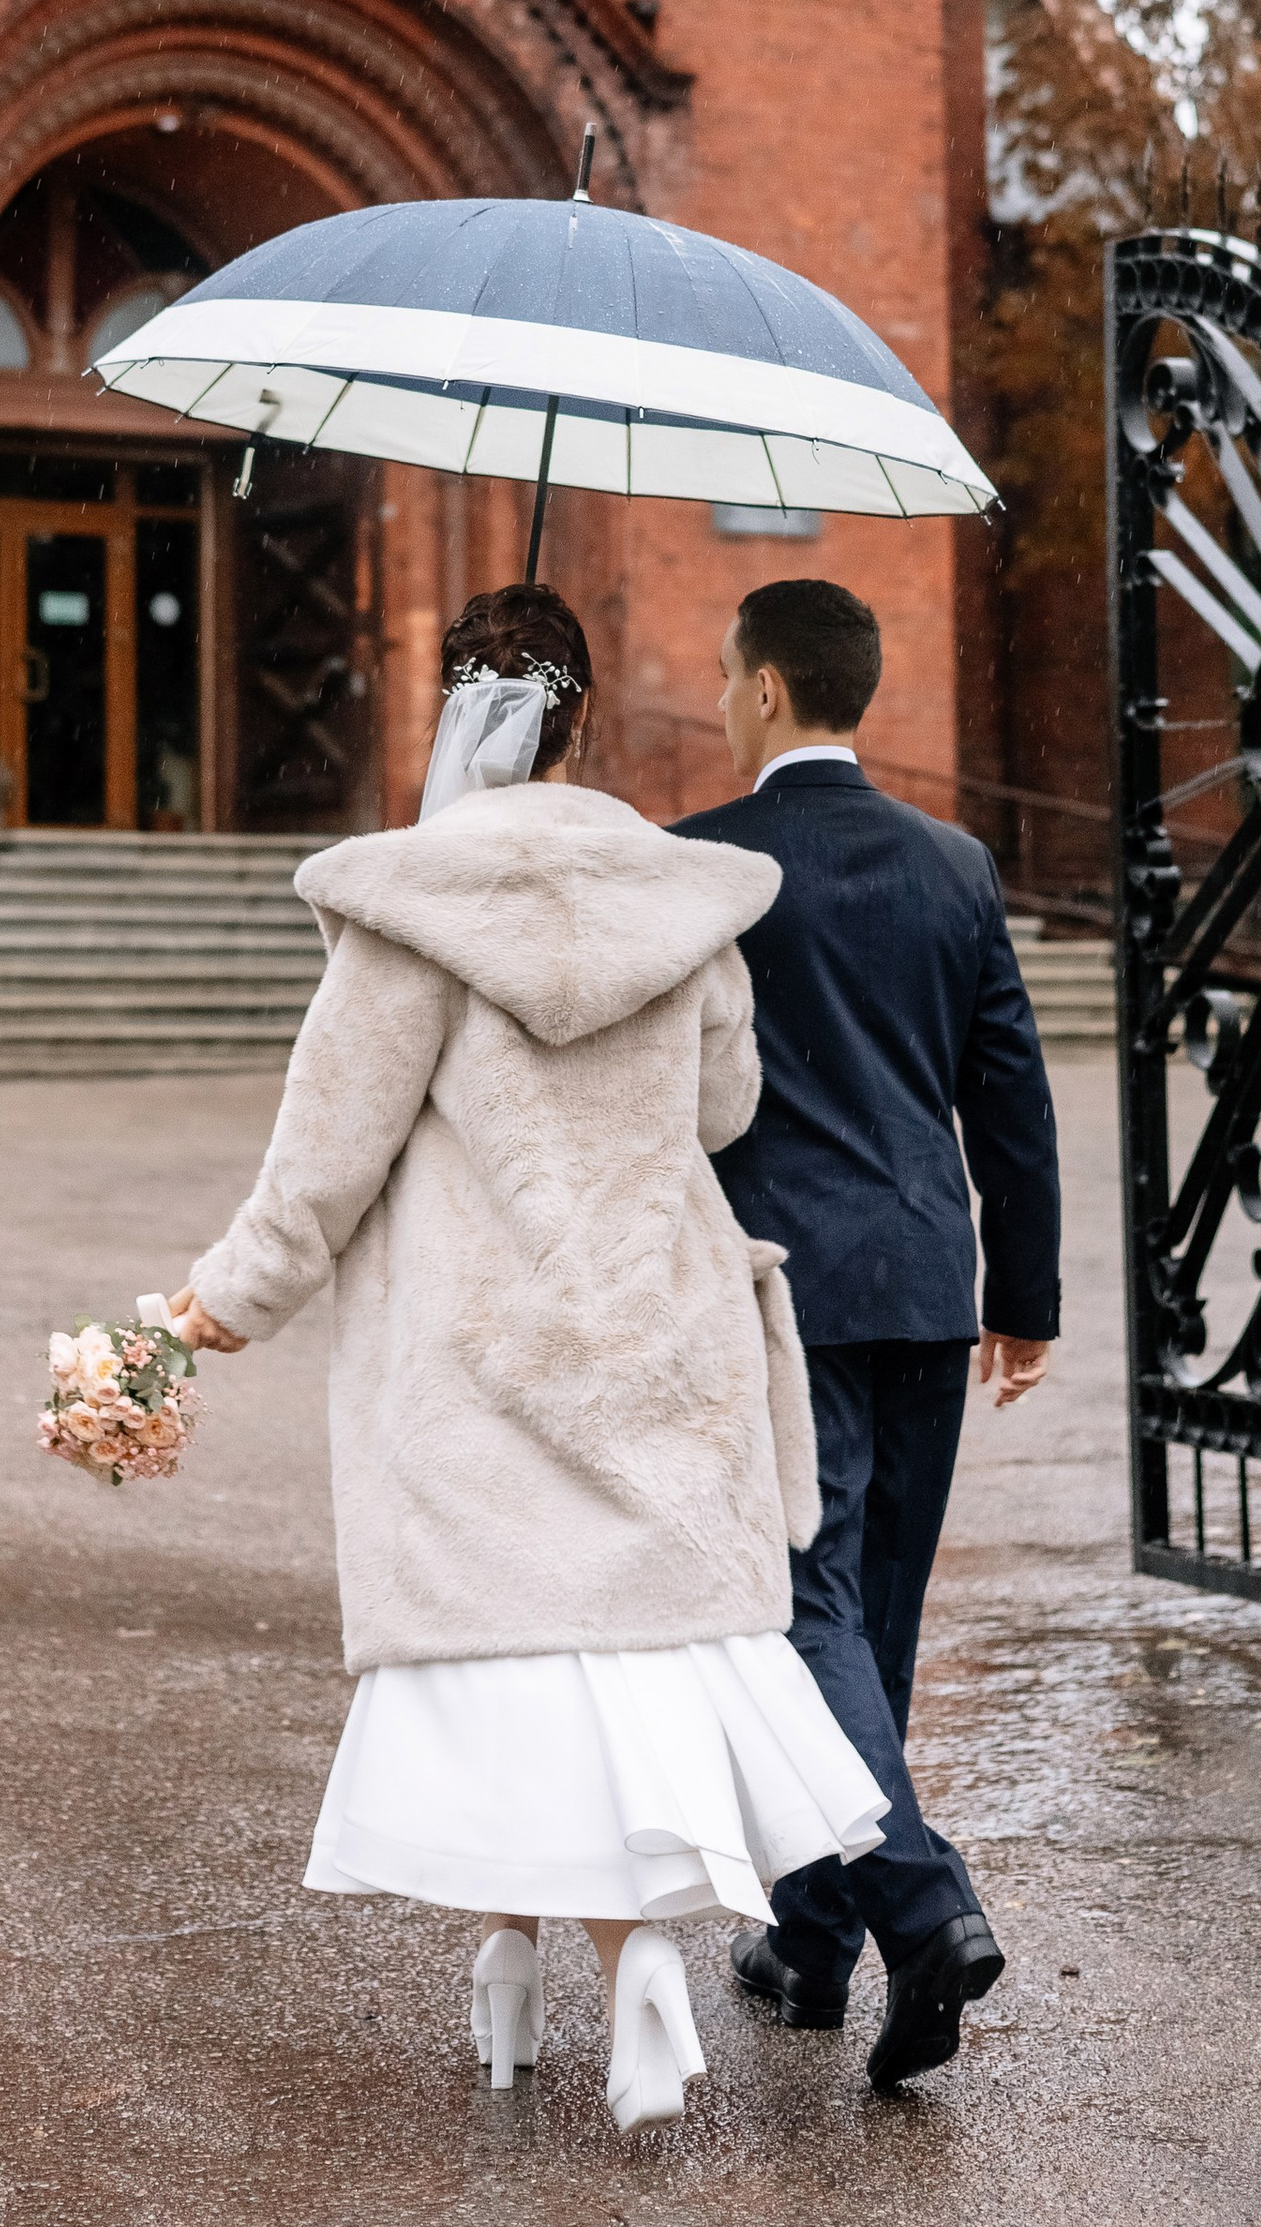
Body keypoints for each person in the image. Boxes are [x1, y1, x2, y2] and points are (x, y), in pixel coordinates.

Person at [166, 581, 889, 2135]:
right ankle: (604, 1962)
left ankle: (535, 1967)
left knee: (506, 1660)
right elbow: (723, 1110)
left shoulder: (413, 906)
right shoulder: (679, 899)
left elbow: (326, 1154)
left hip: (478, 1341)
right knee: (619, 1656)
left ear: (454, 709)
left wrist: (225, 1301)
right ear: (585, 722)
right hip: (651, 1324)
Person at [674, 576, 1061, 2094]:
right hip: (926, 1281)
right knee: (868, 1616)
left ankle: (918, 1903)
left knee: (800, 1610)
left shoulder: (707, 865)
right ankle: (812, 1943)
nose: (719, 700)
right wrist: (1023, 1301)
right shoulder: (954, 863)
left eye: (727, 675)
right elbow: (1009, 1090)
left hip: (789, 1291)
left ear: (768, 688)